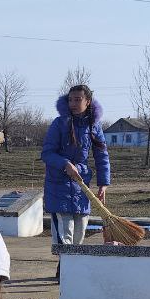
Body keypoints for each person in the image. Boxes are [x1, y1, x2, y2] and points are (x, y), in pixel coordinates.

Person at [41, 84, 111, 249]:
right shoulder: (59, 124)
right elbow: (47, 153)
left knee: (79, 234)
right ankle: (64, 269)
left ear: (87, 102)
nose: (73, 103)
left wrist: (103, 184)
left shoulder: (94, 126)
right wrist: (65, 164)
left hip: (81, 187)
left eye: (77, 99)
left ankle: (72, 269)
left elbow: (102, 156)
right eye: (70, 99)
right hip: (58, 186)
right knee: (65, 235)